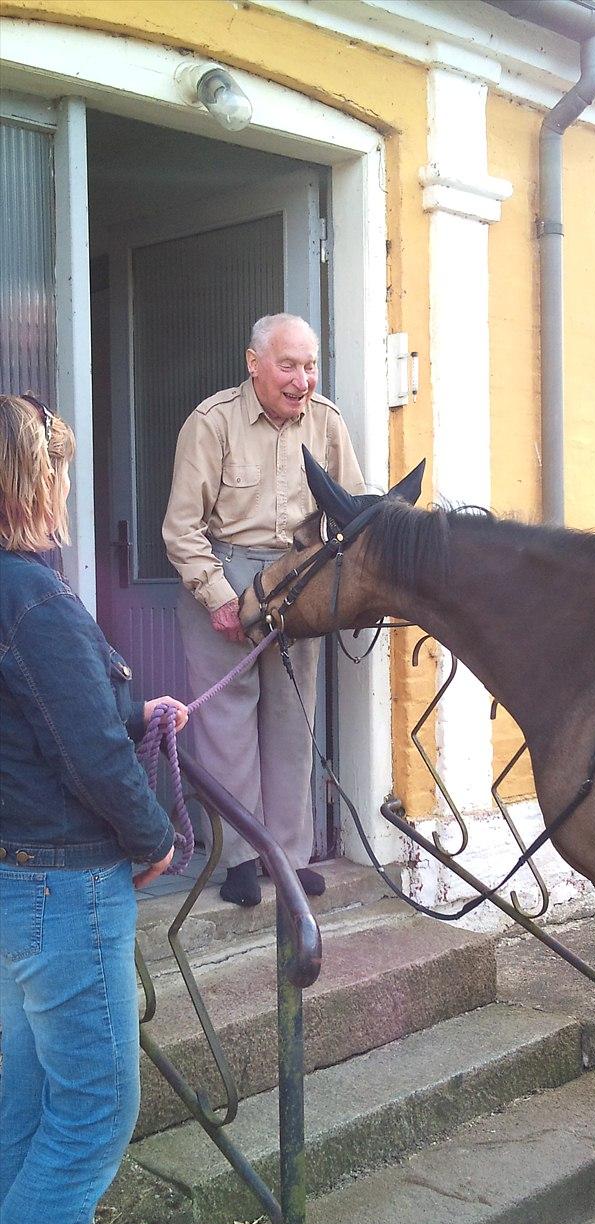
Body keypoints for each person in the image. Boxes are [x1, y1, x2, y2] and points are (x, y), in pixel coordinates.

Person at [0, 394, 188, 1224]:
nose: (68, 491)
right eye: (60, 472)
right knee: (93, 1118)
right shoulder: (30, 593)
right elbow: (86, 755)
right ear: (33, 479)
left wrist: (135, 709)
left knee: (27, 1110)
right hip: (62, 891)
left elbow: (44, 722)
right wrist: (155, 841)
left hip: (16, 886)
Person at [163, 314, 365, 906]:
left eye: (309, 365)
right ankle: (239, 858)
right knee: (226, 725)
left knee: (292, 722)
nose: (301, 379)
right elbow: (181, 529)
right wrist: (220, 599)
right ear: (254, 364)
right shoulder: (212, 421)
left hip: (297, 580)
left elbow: (349, 513)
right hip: (224, 576)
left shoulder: (326, 422)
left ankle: (287, 856)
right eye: (288, 365)